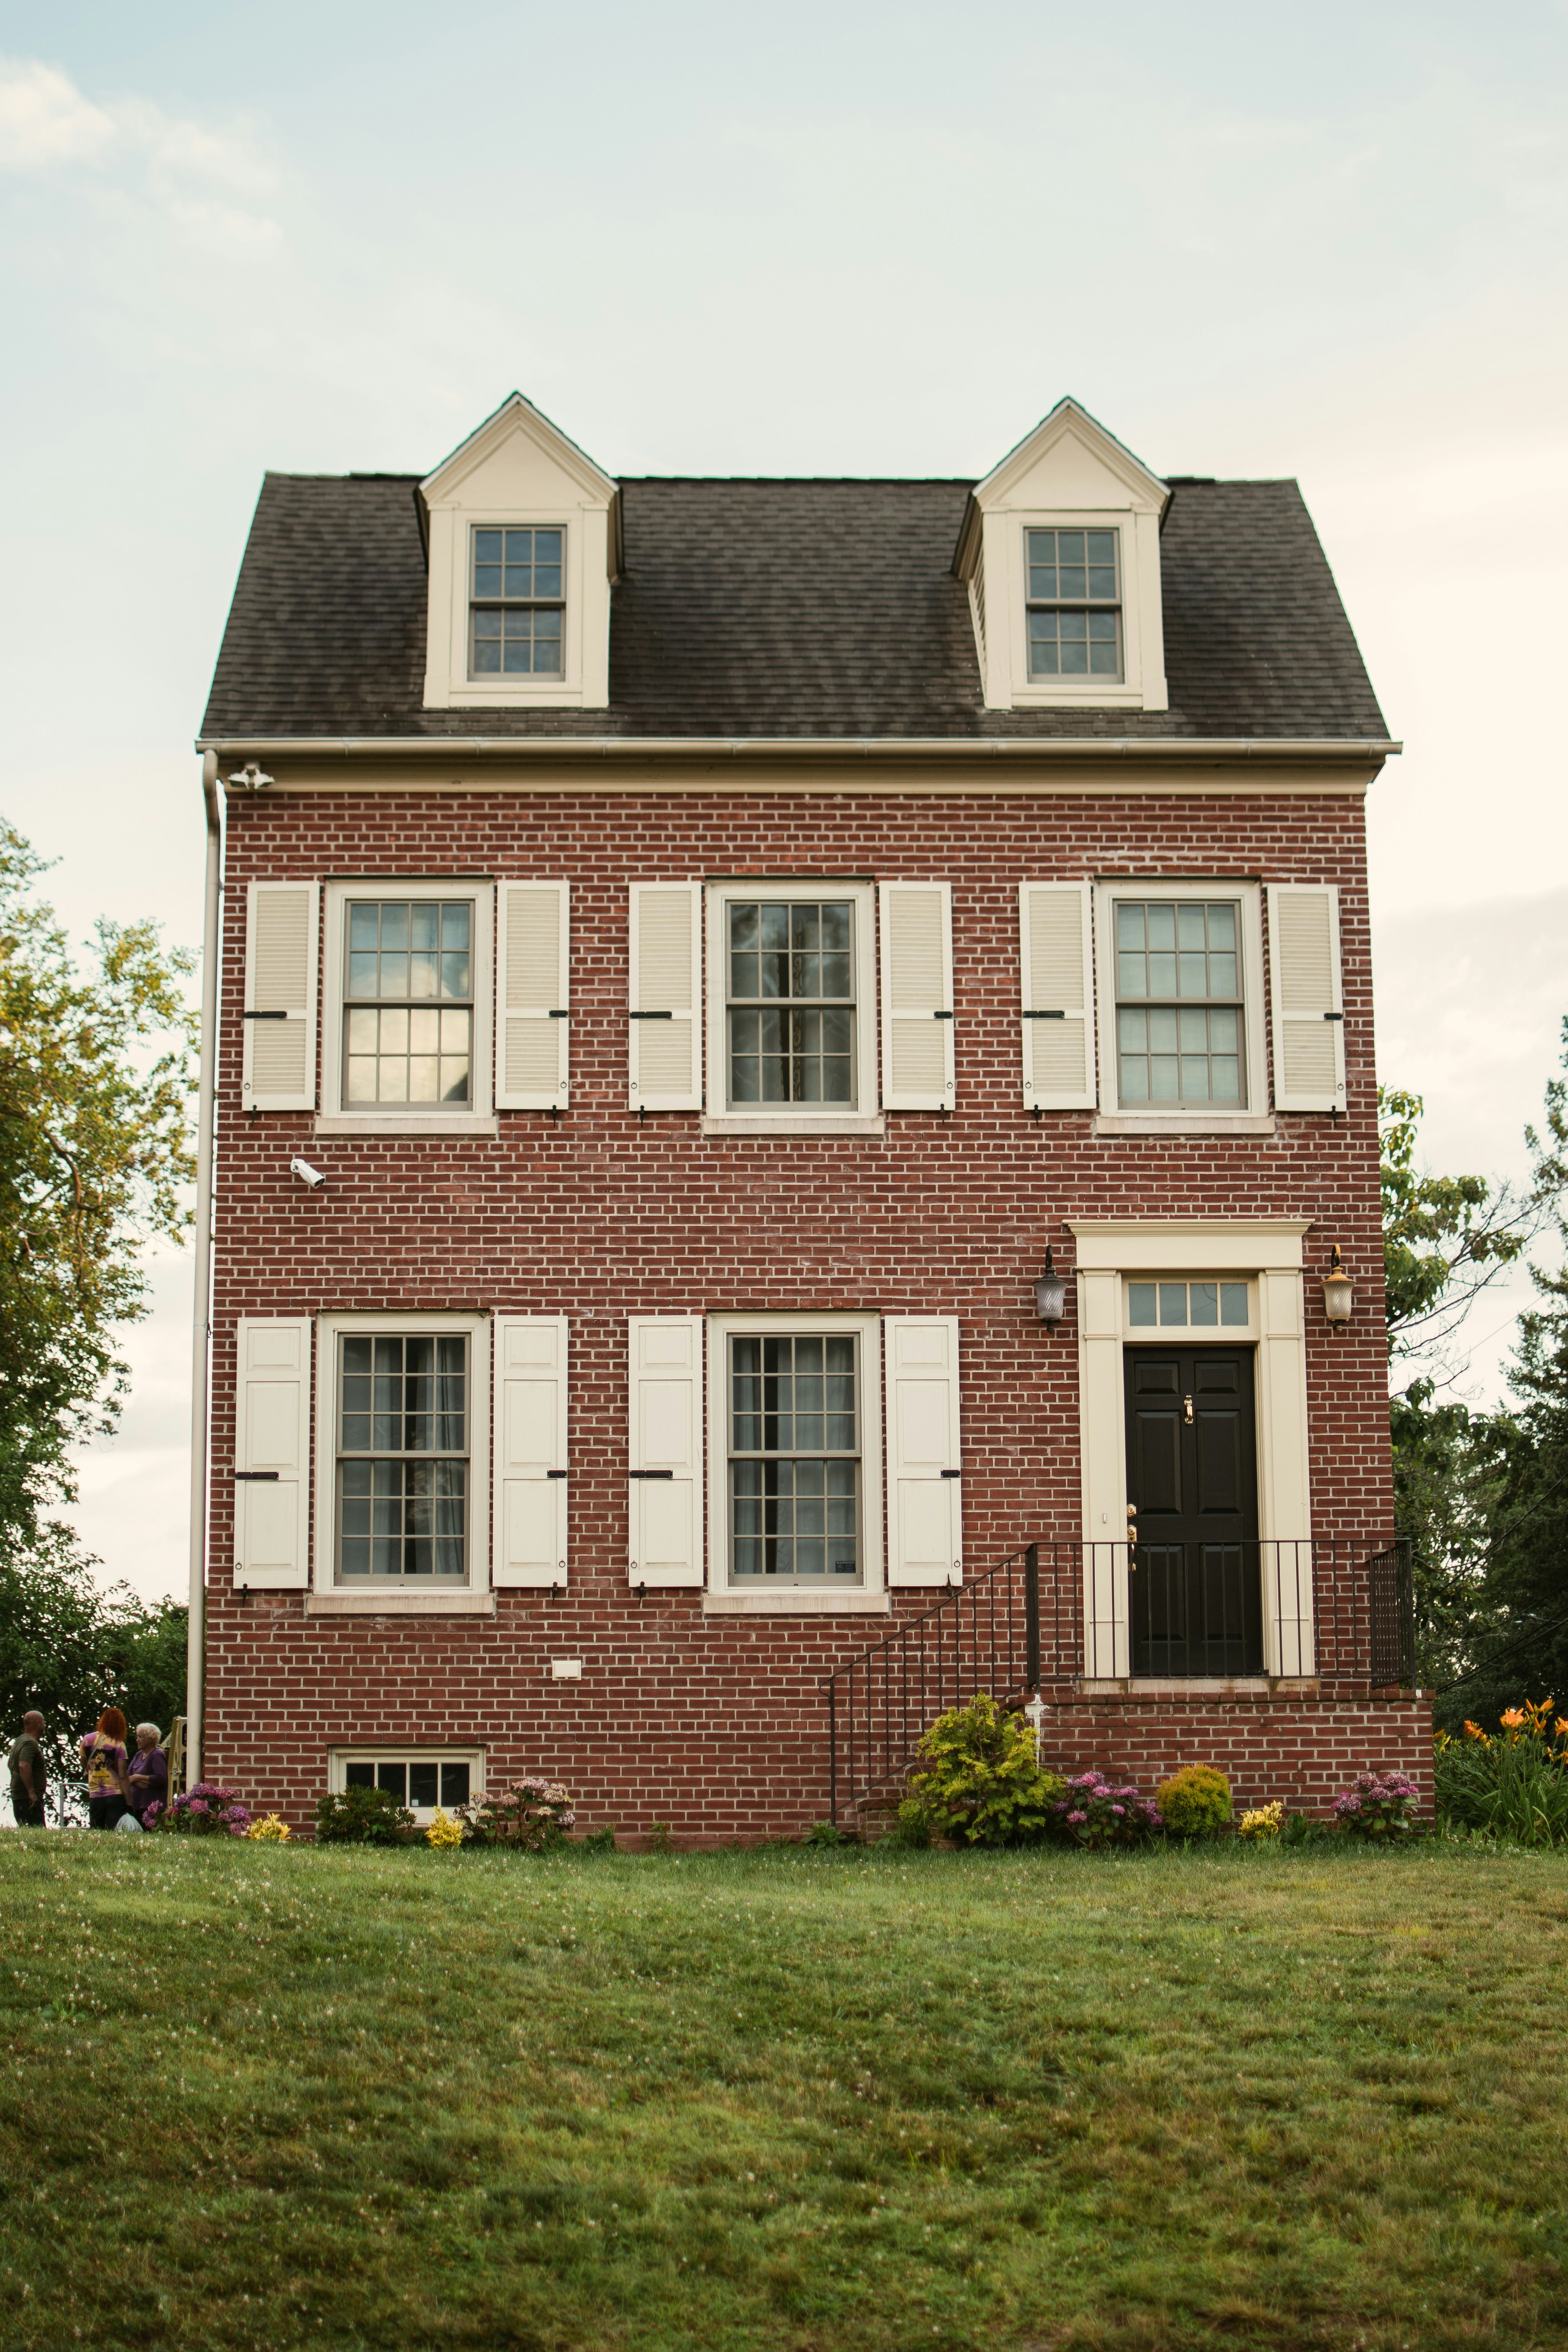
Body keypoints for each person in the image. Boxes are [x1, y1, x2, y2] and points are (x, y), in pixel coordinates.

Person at [81, 1708, 131, 1830]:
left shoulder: (87, 1740)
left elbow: (84, 1764)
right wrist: (129, 1803)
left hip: (95, 1794)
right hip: (115, 1795)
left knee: (95, 1830)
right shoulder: (119, 1744)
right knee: (112, 1830)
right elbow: (123, 1776)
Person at [8, 1710, 48, 1828]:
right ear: (38, 1723)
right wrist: (31, 1793)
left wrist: (17, 1779)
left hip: (20, 1796)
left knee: (28, 1832)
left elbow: (10, 1764)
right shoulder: (30, 1743)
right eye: (43, 1722)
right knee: (38, 1836)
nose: (44, 1725)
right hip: (27, 1799)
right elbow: (23, 1765)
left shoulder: (20, 1740)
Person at [125, 1723, 168, 1826]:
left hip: (151, 1809)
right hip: (137, 1805)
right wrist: (135, 1781)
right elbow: (128, 1775)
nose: (137, 1740)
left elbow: (161, 1778)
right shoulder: (139, 1755)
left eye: (141, 1737)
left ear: (150, 1739)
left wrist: (138, 1777)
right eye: (137, 1736)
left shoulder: (157, 1755)